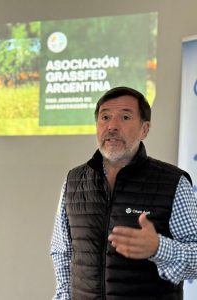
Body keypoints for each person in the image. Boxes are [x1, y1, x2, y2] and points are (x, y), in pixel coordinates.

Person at [50, 86, 197, 300]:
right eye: (105, 117)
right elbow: (62, 251)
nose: (112, 126)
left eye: (125, 117)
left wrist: (159, 248)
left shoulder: (173, 182)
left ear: (144, 129)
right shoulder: (74, 181)